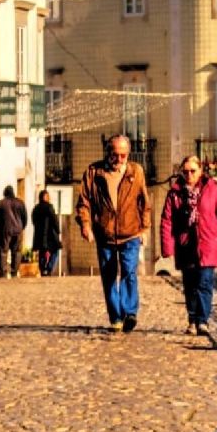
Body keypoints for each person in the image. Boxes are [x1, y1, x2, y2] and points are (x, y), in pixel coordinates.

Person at [76, 135, 151, 333]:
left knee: (129, 272)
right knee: (109, 277)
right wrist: (85, 225)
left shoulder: (136, 171)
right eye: (115, 155)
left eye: (123, 155)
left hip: (130, 232)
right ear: (107, 152)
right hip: (105, 234)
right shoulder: (94, 173)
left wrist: (145, 228)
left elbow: (144, 202)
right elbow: (84, 202)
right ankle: (116, 317)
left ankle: (130, 312)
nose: (119, 159)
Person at [160, 154, 217, 338]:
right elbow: (166, 220)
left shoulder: (213, 190)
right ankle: (192, 319)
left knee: (204, 283)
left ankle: (202, 321)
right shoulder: (175, 193)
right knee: (190, 285)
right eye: (185, 171)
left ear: (200, 171)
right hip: (186, 246)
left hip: (208, 244)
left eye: (193, 171)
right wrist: (167, 247)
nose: (189, 175)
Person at [0, 186, 28, 278]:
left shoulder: (0, 204)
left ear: (5, 193)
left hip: (5, 230)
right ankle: (14, 272)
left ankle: (3, 272)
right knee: (17, 251)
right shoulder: (20, 203)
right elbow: (25, 217)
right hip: (18, 230)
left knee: (3, 251)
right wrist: (22, 227)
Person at [31, 189, 62, 276]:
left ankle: (42, 268)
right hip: (51, 235)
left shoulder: (36, 208)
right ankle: (49, 267)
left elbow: (33, 221)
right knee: (55, 251)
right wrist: (58, 230)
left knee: (42, 252)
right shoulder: (49, 207)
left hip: (40, 235)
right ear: (47, 197)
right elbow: (54, 219)